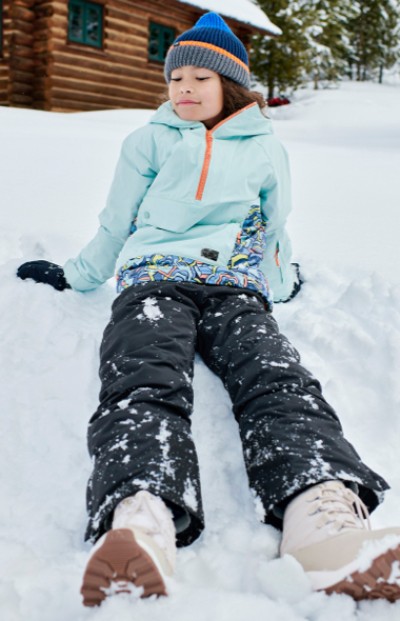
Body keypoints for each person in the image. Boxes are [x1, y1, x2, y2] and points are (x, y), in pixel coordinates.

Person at [17, 12, 400, 607]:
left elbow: (275, 227)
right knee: (142, 376)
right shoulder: (147, 141)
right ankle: (140, 512)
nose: (185, 89)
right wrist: (77, 276)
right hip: (152, 282)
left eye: (201, 77)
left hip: (235, 288)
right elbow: (115, 222)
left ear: (230, 85)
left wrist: (279, 282)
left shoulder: (264, 149)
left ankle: (321, 518)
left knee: (277, 378)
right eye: (176, 79)